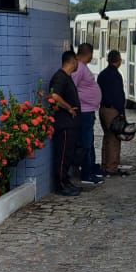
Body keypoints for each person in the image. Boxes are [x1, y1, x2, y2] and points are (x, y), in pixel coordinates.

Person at [49, 49, 81, 197]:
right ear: (72, 61)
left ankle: (66, 181)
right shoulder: (60, 77)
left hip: (71, 125)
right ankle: (60, 185)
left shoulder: (68, 77)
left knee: (68, 155)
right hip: (64, 125)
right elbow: (54, 95)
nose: (78, 64)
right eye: (76, 61)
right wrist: (69, 108)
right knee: (62, 155)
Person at [72, 43, 103, 185]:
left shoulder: (82, 67)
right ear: (89, 54)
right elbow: (73, 87)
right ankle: (86, 174)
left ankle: (90, 170)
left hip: (88, 111)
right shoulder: (78, 67)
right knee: (86, 143)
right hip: (84, 112)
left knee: (89, 142)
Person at [98, 49, 129, 177]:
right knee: (114, 139)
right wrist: (122, 113)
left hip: (102, 109)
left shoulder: (102, 74)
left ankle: (104, 164)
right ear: (119, 61)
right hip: (113, 111)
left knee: (107, 137)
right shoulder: (116, 75)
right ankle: (112, 168)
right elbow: (118, 96)